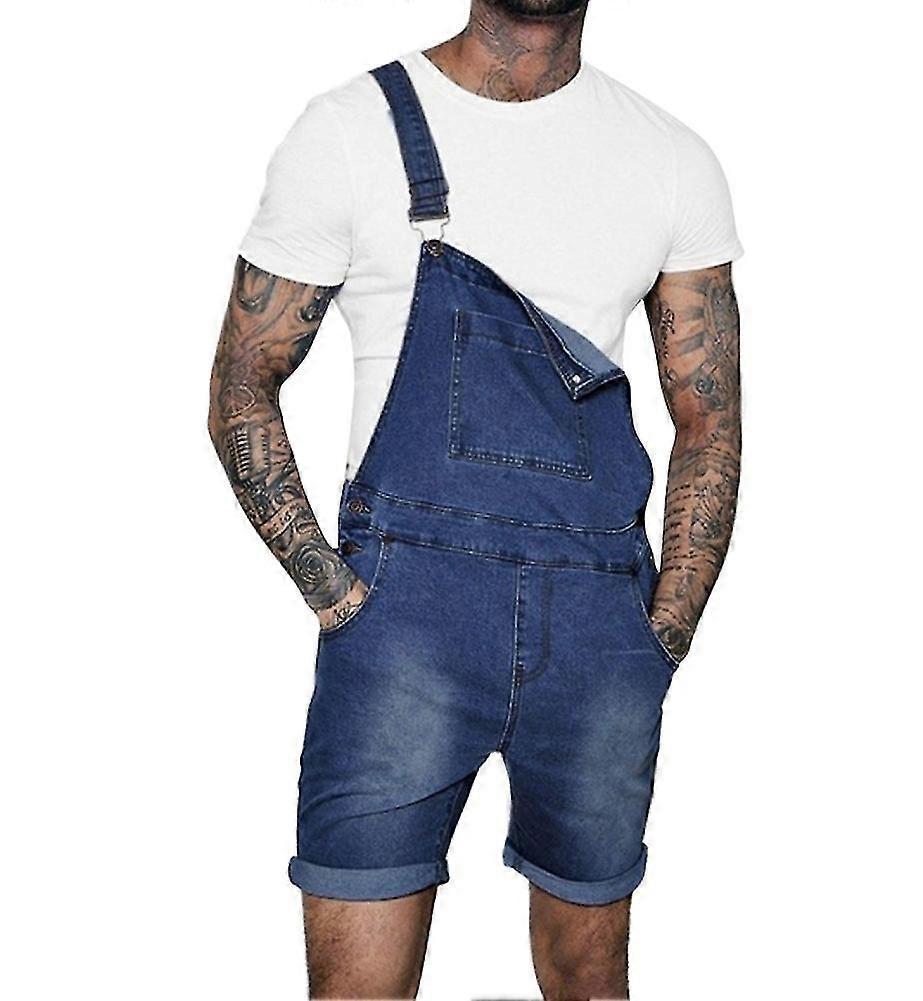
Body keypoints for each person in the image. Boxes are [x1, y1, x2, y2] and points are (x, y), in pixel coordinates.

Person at [208, 1, 742, 996]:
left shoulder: (671, 159)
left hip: (598, 626)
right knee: (359, 985)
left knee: (589, 975)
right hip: (403, 626)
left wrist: (661, 628)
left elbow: (707, 415)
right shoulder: (355, 127)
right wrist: (336, 593)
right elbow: (243, 379)